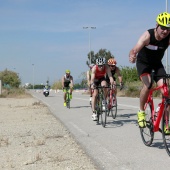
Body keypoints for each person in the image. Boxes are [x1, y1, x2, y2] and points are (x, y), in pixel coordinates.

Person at [129, 12, 170, 130]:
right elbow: (134, 49)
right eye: (163, 27)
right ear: (157, 25)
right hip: (144, 64)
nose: (165, 31)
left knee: (166, 91)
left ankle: (167, 122)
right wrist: (132, 55)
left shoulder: (168, 37)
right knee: (148, 85)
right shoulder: (147, 36)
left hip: (157, 65)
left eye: (168, 29)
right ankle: (141, 112)